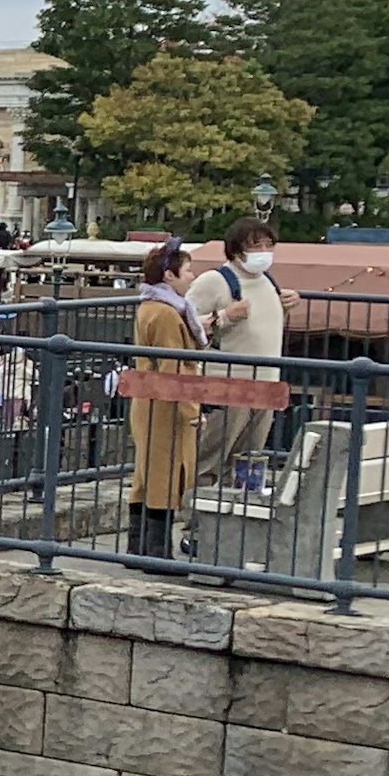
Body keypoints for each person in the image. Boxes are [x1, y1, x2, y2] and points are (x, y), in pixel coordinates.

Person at [185, 217, 284, 498]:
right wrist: (224, 317)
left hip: (265, 385)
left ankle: (233, 528)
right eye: (256, 245)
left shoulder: (268, 282)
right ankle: (197, 528)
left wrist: (285, 306)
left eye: (268, 244)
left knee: (249, 461)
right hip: (227, 385)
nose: (263, 251)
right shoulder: (215, 281)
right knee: (211, 459)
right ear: (237, 249)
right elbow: (184, 324)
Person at [124, 240, 202, 557]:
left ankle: (138, 547)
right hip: (166, 404)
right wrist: (192, 409)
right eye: (188, 271)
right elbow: (173, 369)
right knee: (166, 475)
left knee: (145, 474)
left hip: (146, 399)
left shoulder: (149, 307)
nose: (192, 277)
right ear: (170, 276)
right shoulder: (168, 315)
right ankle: (158, 552)